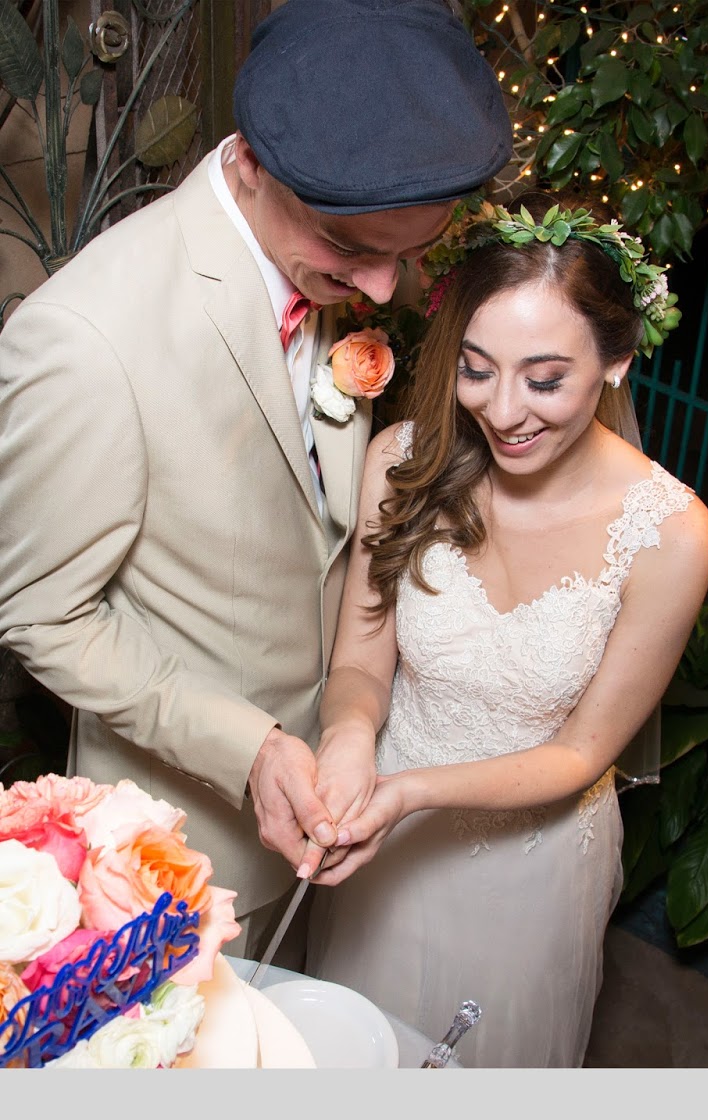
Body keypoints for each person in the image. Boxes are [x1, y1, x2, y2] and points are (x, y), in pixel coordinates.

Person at [0, 0, 512, 953]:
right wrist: (249, 750)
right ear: (248, 163)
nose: (383, 293)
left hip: (337, 799)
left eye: (411, 254)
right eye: (354, 251)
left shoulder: (335, 267)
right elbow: (40, 612)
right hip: (175, 845)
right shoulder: (86, 342)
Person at [303, 195, 708, 1067]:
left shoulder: (672, 533)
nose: (501, 410)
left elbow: (580, 754)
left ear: (616, 360)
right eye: (476, 368)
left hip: (533, 866)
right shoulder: (402, 460)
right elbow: (361, 665)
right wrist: (347, 740)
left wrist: (413, 793)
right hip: (379, 830)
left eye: (544, 378)